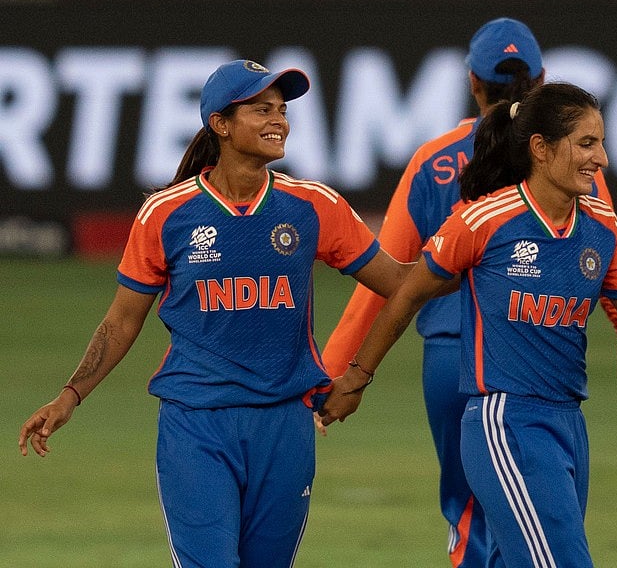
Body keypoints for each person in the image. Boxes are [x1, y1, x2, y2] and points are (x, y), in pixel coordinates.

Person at [319, 81, 617, 567]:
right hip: (505, 424)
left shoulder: (602, 226)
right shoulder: (483, 221)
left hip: (567, 423)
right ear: (540, 148)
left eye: (601, 143)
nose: (601, 158)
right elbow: (403, 296)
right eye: (586, 143)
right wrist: (356, 376)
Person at [17, 59, 411, 567]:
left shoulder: (314, 205)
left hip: (286, 424)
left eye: (282, 110)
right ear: (220, 124)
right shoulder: (166, 213)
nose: (279, 120)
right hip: (196, 423)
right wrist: (71, 395)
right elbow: (122, 320)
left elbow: (399, 285)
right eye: (260, 109)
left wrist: (359, 374)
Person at [319, 17, 617, 568]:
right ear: (542, 80)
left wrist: (336, 375)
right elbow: (601, 264)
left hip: (451, 359)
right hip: (530, 357)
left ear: (473, 83)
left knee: (473, 515)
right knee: (528, 523)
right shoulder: (575, 162)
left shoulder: (433, 160)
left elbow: (389, 282)